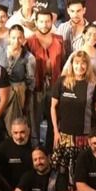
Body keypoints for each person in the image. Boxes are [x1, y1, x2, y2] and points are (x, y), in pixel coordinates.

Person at [51, 50, 96, 175]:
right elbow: (53, 107)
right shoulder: (62, 81)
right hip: (64, 135)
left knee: (83, 172)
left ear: (88, 65)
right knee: (62, 173)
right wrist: (55, 132)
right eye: (77, 63)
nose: (80, 66)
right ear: (72, 64)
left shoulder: (93, 85)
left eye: (83, 63)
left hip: (84, 137)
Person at [26, 10, 65, 143]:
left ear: (52, 22)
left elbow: (64, 63)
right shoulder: (29, 41)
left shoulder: (59, 40)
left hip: (55, 86)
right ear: (36, 22)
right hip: (36, 87)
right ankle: (36, 150)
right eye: (41, 21)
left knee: (53, 120)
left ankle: (51, 150)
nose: (44, 24)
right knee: (34, 120)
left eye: (47, 21)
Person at [0, 25, 36, 133]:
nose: (16, 41)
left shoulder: (28, 57)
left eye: (19, 38)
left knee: (13, 123)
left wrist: (26, 103)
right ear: (8, 38)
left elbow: (30, 82)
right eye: (13, 37)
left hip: (17, 92)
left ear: (23, 39)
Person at [0, 117, 34, 190]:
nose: (19, 137)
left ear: (29, 131)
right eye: (16, 133)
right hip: (8, 189)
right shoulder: (4, 146)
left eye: (22, 132)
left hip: (30, 189)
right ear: (11, 132)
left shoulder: (35, 146)